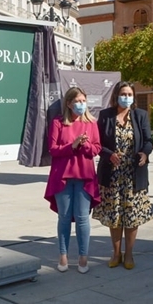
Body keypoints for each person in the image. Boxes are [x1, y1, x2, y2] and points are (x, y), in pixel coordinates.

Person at [92, 82, 153, 270]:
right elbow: (97, 143)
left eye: (129, 94)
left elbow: (148, 140)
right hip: (112, 175)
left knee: (132, 216)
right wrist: (109, 153)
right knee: (115, 215)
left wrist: (145, 153)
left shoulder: (140, 115)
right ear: (116, 96)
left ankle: (129, 254)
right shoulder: (105, 116)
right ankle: (116, 252)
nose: (126, 97)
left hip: (134, 175)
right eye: (123, 94)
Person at [44, 86, 101, 274]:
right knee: (65, 217)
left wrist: (84, 146)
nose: (81, 104)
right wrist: (72, 145)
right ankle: (63, 255)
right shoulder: (58, 122)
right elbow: (53, 149)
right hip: (63, 176)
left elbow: (96, 149)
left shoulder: (91, 123)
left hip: (85, 177)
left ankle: (83, 257)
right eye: (77, 101)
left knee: (83, 218)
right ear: (68, 103)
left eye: (83, 101)